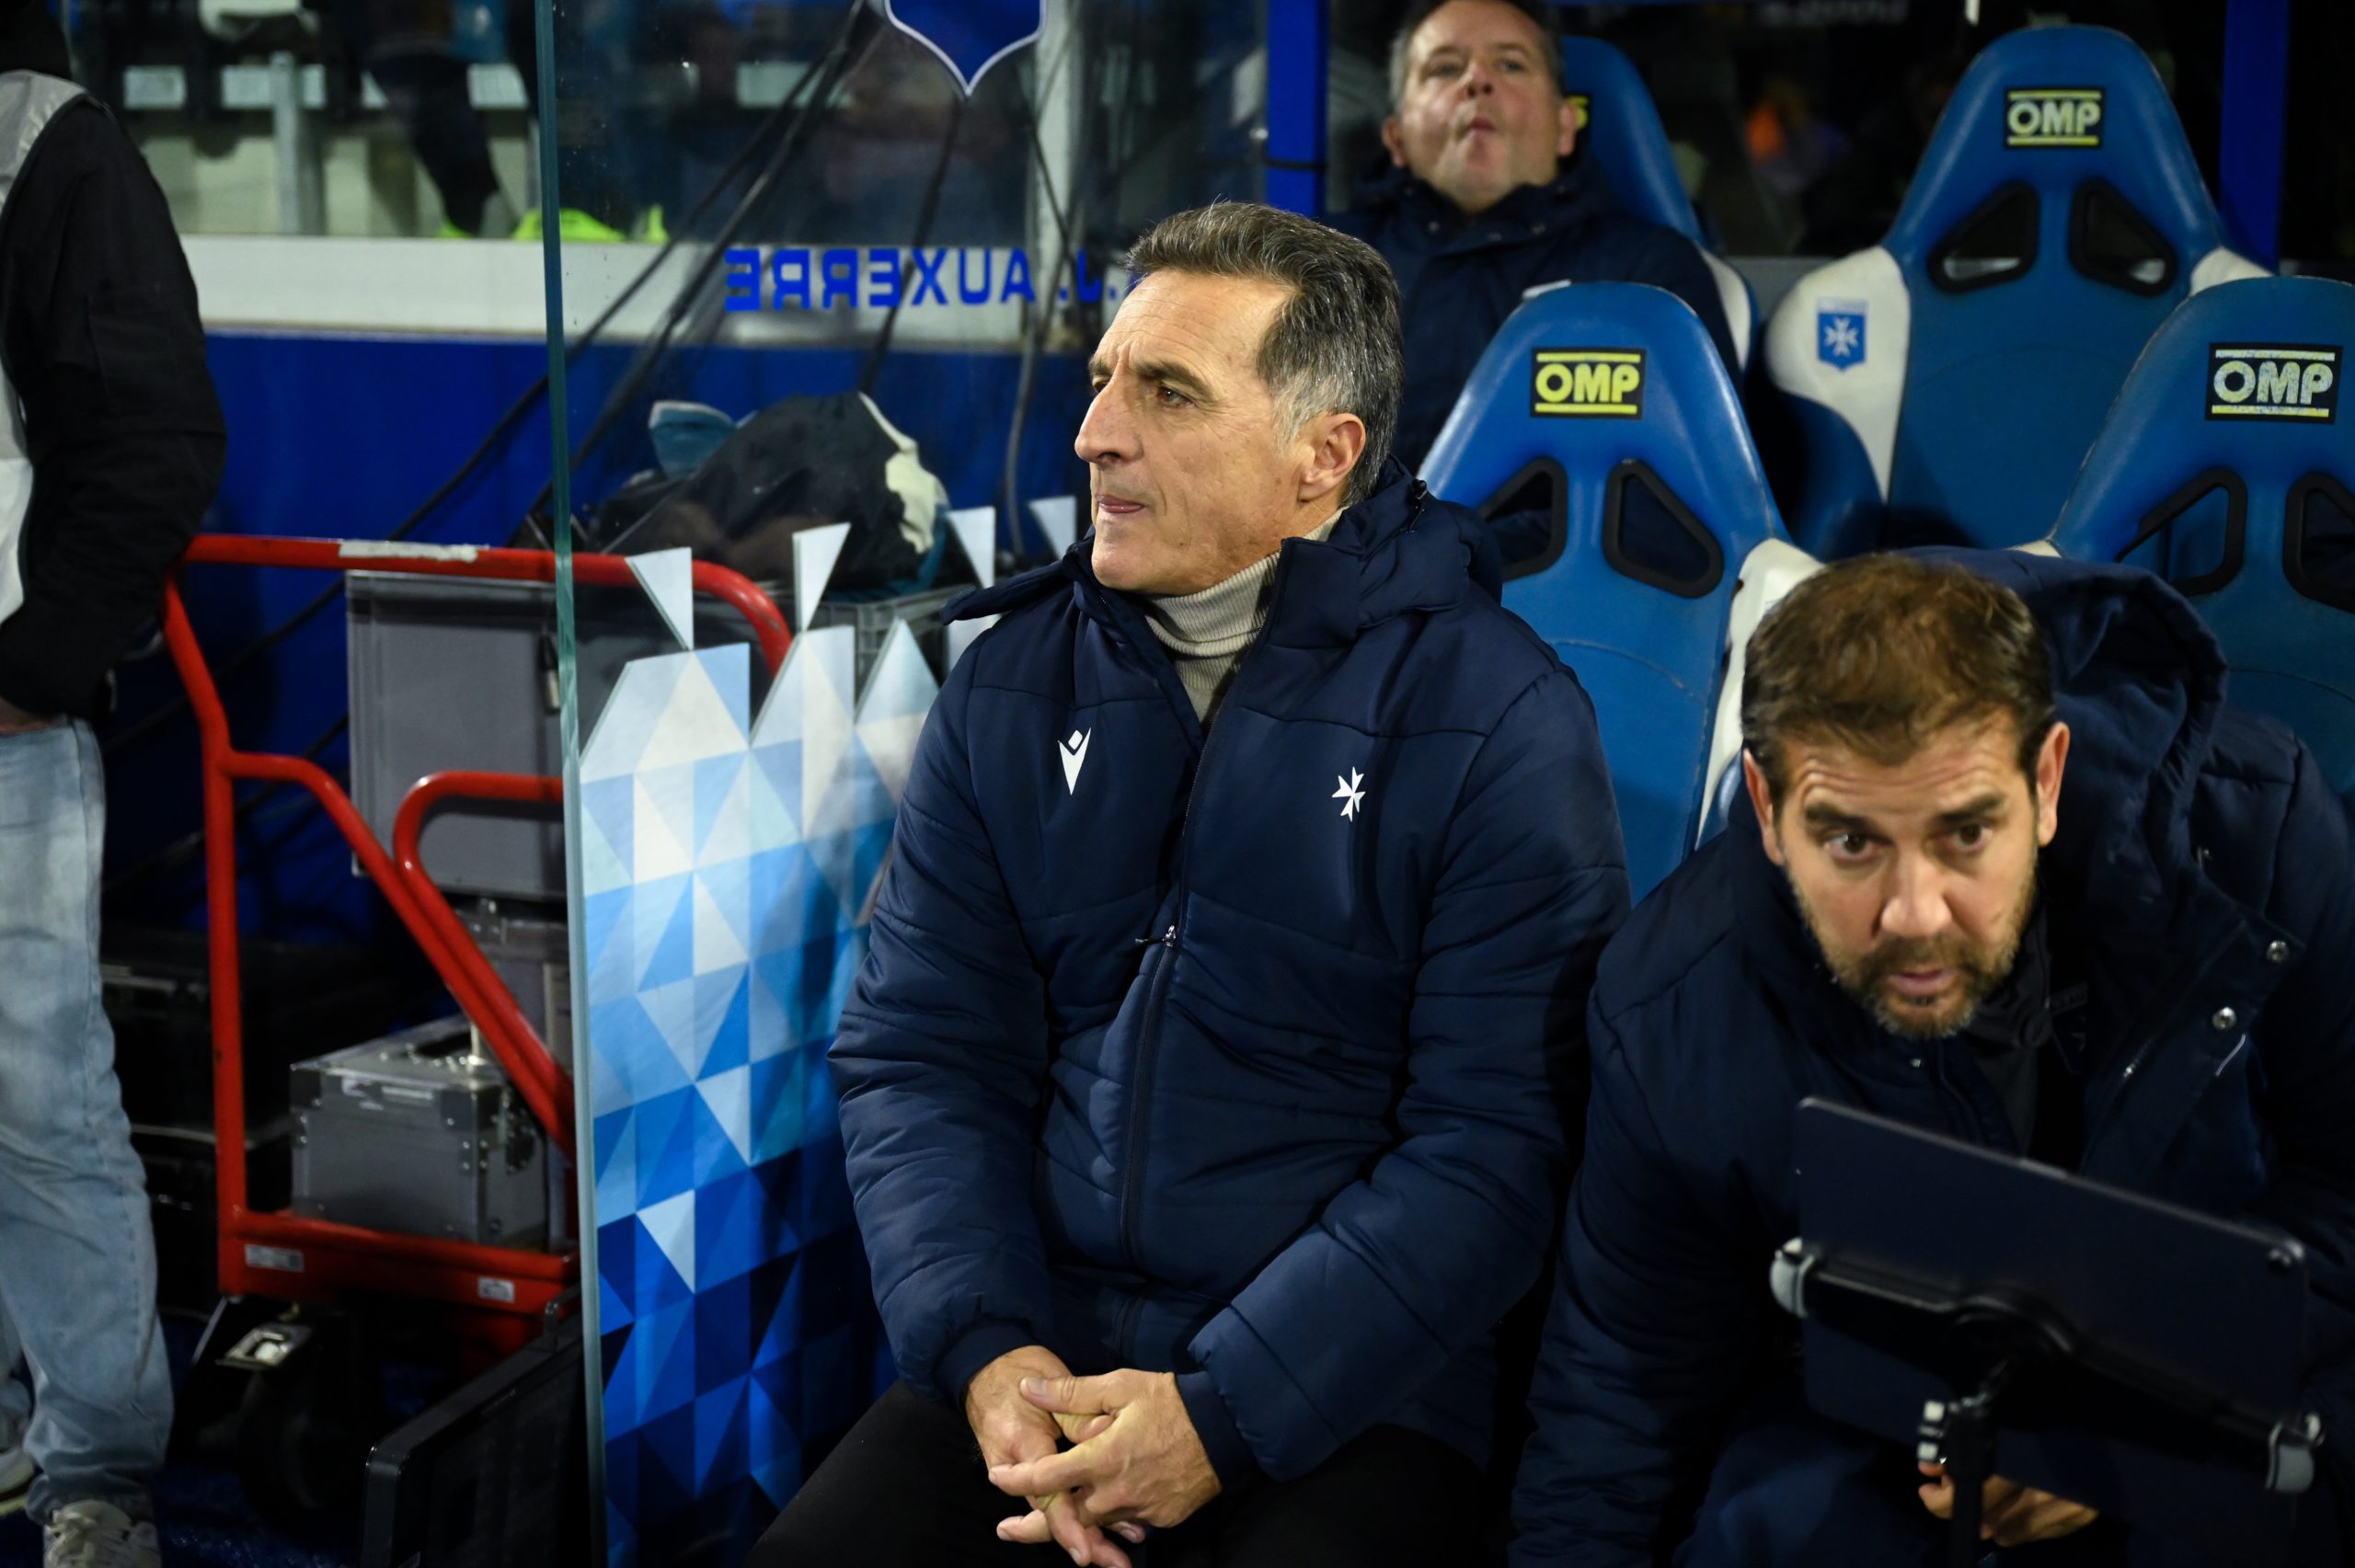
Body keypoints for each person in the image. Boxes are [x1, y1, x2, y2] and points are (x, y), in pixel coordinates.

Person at [750, 200, 1628, 1567]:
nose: (1098, 431)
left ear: (1320, 457)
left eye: (1168, 392)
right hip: (1039, 1359)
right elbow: (925, 1056)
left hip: (1356, 1394)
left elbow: (1496, 1150)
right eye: (1104, 379)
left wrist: (1222, 1417)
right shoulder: (1012, 683)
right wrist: (990, 1353)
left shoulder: (1499, 722)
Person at [1511, 551, 2355, 1566]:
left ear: (2043, 780)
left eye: (1963, 834)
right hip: (1883, 1431)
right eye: (1852, 844)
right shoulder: (1674, 1011)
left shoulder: (2255, 836)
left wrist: (2124, 1418)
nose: (1914, 914)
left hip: (2233, 1387)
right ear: (1768, 811)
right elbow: (1620, 1394)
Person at [0, 3, 229, 1564]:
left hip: (4, 731)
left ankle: (94, 1469)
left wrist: (27, 670)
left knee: (33, 1097)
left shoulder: (44, 138)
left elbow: (154, 437)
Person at [1329, 0, 1740, 481]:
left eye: (1510, 64)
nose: (1476, 82)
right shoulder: (1322, 266)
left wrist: (1460, 554)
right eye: (1444, 68)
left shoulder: (1648, 277)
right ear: (1395, 137)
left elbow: (1694, 500)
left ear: (1567, 125)